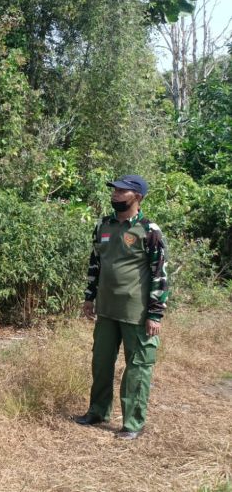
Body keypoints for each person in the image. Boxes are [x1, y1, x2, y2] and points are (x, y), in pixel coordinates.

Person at [75, 174, 169, 439]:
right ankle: (97, 411)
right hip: (106, 310)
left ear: (136, 197)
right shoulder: (103, 226)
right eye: (114, 191)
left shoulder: (149, 230)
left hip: (136, 314)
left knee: (137, 368)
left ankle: (132, 424)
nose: (115, 195)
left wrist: (155, 313)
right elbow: (96, 264)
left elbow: (160, 274)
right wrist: (89, 298)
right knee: (101, 363)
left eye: (121, 192)